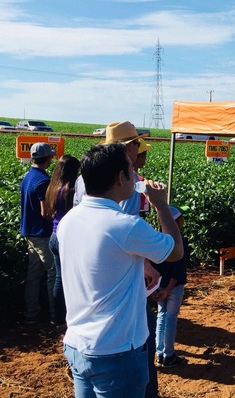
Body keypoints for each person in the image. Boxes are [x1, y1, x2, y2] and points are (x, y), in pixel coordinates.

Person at [57, 143, 184, 398]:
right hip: (117, 351)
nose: (137, 177)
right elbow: (175, 251)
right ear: (120, 177)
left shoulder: (69, 220)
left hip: (78, 345)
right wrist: (161, 205)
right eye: (131, 170)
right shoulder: (125, 226)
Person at [72, 121, 160, 398]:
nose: (139, 148)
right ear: (127, 147)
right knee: (136, 337)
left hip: (89, 284)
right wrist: (145, 260)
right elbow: (121, 228)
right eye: (136, 143)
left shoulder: (88, 177)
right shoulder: (122, 180)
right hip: (119, 276)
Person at [43, 154, 81, 326]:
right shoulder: (71, 189)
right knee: (70, 279)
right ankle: (66, 317)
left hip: (53, 234)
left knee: (59, 277)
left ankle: (57, 318)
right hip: (66, 237)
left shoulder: (53, 187)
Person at [20, 142, 56, 324]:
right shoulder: (43, 181)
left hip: (28, 231)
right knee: (53, 273)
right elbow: (45, 212)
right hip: (41, 233)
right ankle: (54, 314)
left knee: (33, 273)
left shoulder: (28, 176)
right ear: (47, 158)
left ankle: (32, 311)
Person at [152, 205, 190, 368]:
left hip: (160, 287)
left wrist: (158, 289)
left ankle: (159, 352)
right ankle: (169, 354)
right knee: (170, 319)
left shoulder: (157, 240)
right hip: (173, 287)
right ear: (178, 221)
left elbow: (154, 267)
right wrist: (168, 289)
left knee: (161, 317)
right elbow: (178, 269)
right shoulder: (180, 241)